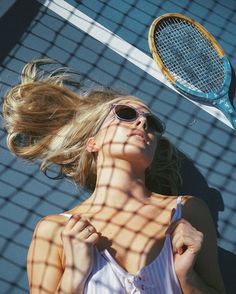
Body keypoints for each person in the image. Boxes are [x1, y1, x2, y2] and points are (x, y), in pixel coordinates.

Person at [3, 60, 226, 294]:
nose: (142, 122)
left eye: (152, 124)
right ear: (93, 142)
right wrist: (74, 276)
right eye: (126, 114)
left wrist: (187, 276)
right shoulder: (55, 231)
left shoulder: (188, 211)